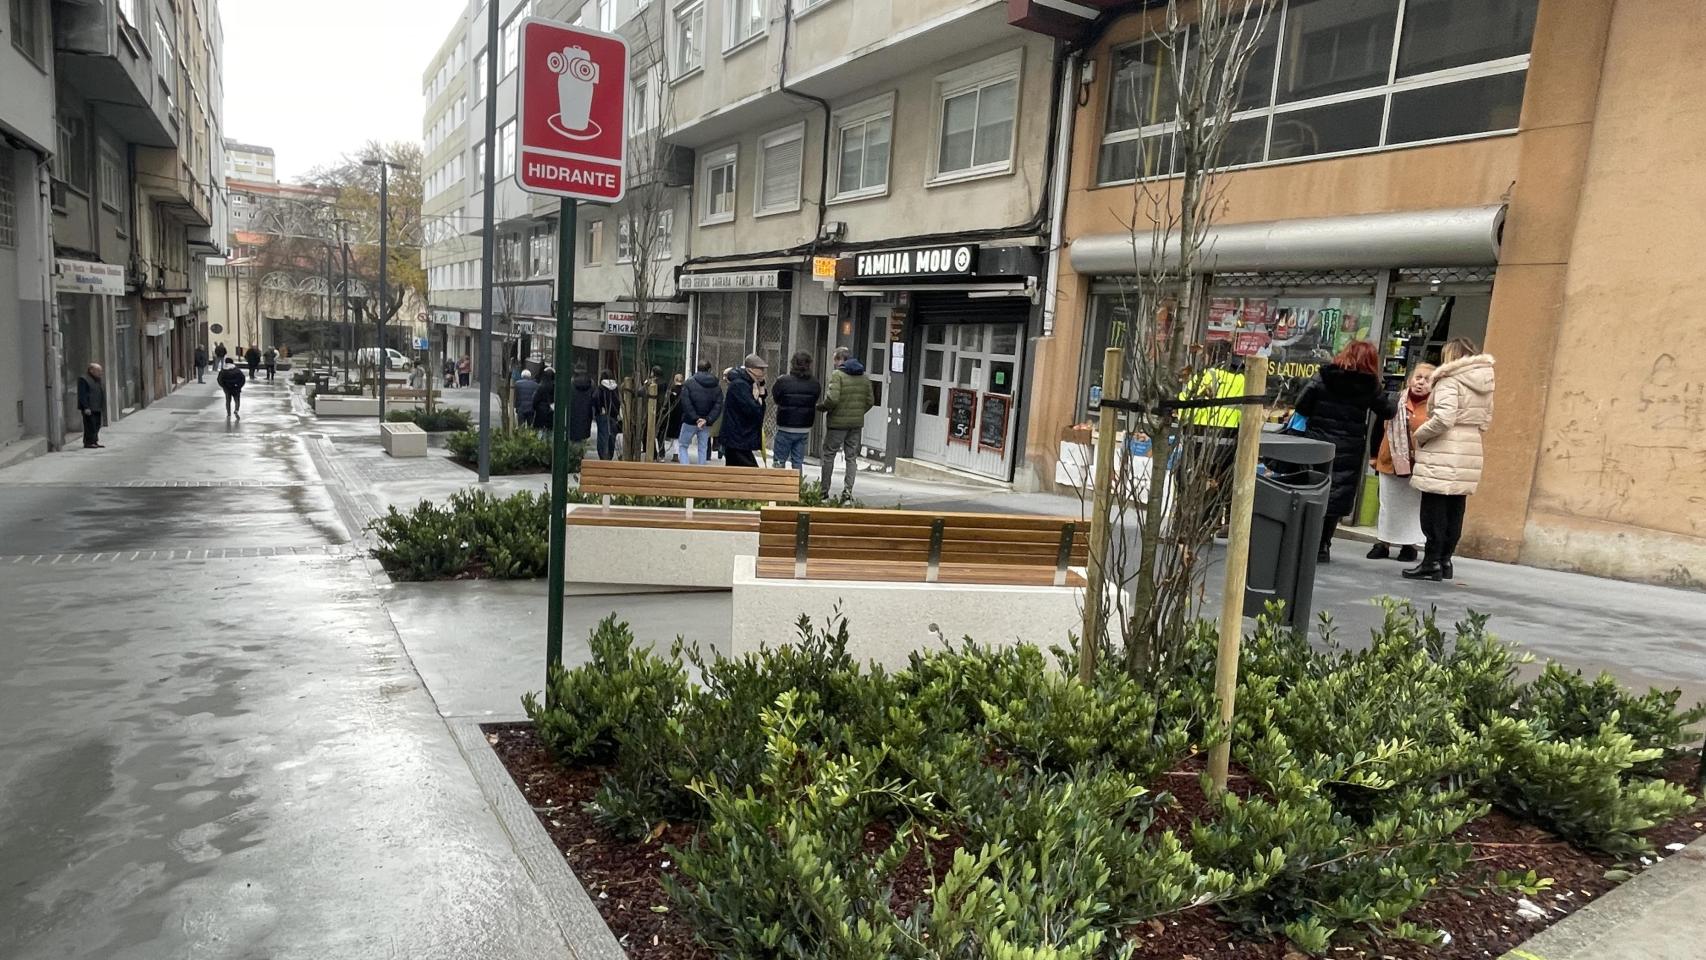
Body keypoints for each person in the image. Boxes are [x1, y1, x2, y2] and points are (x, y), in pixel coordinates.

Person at [1405, 338, 1496, 582]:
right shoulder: (1485, 381)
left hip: (1444, 447)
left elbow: (1444, 419)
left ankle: (1431, 562)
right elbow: (1486, 419)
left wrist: (1420, 433)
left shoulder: (1449, 380)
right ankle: (1445, 560)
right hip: (1470, 447)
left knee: (1433, 507)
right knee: (1456, 506)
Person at [1294, 340, 1392, 564]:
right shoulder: (1370, 385)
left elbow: (1301, 405)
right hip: (1349, 447)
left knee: (1313, 489)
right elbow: (1387, 411)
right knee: (1336, 494)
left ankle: (1306, 541)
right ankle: (1323, 545)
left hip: (1317, 442)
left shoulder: (1324, 376)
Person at [1366, 363, 1436, 563]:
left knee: (1412, 507)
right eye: (1418, 377)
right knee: (1388, 505)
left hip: (1418, 464)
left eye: (1427, 380)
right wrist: (1373, 455)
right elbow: (1378, 428)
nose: (1421, 383)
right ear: (1409, 380)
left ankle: (1409, 545)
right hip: (1390, 461)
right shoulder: (1394, 400)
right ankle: (1383, 543)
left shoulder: (1434, 407)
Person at [816, 347, 876, 495]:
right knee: (851, 457)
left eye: (835, 360)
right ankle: (848, 492)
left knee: (829, 455)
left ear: (841, 360)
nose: (834, 363)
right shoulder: (864, 377)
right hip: (855, 425)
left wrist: (822, 407)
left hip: (837, 424)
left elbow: (832, 399)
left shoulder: (838, 375)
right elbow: (870, 401)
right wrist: (858, 413)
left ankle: (824, 491)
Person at [770, 351, 821, 471]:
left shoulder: (782, 381)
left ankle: (778, 482)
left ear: (793, 364)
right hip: (804, 427)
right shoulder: (814, 383)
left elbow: (776, 398)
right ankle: (797, 482)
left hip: (785, 426)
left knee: (779, 461)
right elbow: (815, 399)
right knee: (798, 462)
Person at [720, 353, 768, 467]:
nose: (763, 373)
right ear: (751, 369)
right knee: (750, 472)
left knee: (736, 472)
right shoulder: (740, 385)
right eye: (760, 369)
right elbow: (755, 411)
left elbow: (759, 409)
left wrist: (761, 391)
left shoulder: (748, 384)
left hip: (739, 439)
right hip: (737, 439)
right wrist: (757, 400)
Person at [677, 360, 723, 466]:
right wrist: (707, 419)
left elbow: (685, 403)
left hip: (689, 421)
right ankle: (701, 469)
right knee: (703, 448)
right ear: (709, 370)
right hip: (705, 423)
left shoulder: (689, 383)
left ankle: (685, 469)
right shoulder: (716, 386)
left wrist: (695, 417)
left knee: (683, 446)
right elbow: (718, 406)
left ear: (697, 369)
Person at [592, 370, 621, 460]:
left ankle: (603, 456)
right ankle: (609, 456)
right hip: (613, 416)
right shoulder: (615, 388)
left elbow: (595, 398)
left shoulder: (601, 388)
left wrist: (599, 410)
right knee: (611, 436)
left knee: (602, 436)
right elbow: (618, 402)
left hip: (602, 415)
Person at [76, 363, 106, 449]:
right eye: (98, 371)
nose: (100, 373)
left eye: (101, 371)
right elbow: (82, 394)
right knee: (90, 425)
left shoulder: (97, 379)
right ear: (91, 370)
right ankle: (88, 442)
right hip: (89, 407)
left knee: (97, 424)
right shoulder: (84, 379)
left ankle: (94, 441)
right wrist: (86, 407)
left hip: (97, 406)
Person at [659, 372, 685, 460]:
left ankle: (664, 453)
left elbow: (667, 403)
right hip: (682, 415)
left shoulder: (671, 390)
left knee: (669, 435)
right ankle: (676, 454)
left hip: (672, 415)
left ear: (674, 380)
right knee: (678, 436)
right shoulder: (685, 390)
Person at [568, 365, 594, 444]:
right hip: (586, 413)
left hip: (573, 413)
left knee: (573, 438)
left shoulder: (571, 382)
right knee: (583, 438)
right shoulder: (591, 383)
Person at [533, 367, 556, 433]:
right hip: (551, 412)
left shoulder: (541, 386)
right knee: (550, 431)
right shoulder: (555, 387)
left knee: (540, 431)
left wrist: (536, 408)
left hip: (541, 412)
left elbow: (535, 400)